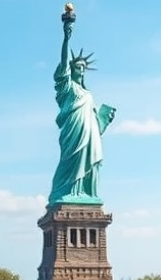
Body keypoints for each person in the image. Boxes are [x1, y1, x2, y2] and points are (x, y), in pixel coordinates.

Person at [48, 11, 116, 205]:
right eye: (78, 67)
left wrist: (103, 119)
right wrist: (66, 38)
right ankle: (66, 192)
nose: (81, 70)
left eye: (84, 68)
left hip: (90, 134)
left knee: (89, 162)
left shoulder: (87, 93)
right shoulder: (67, 88)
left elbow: (94, 120)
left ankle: (86, 193)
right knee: (69, 161)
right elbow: (63, 63)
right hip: (73, 131)